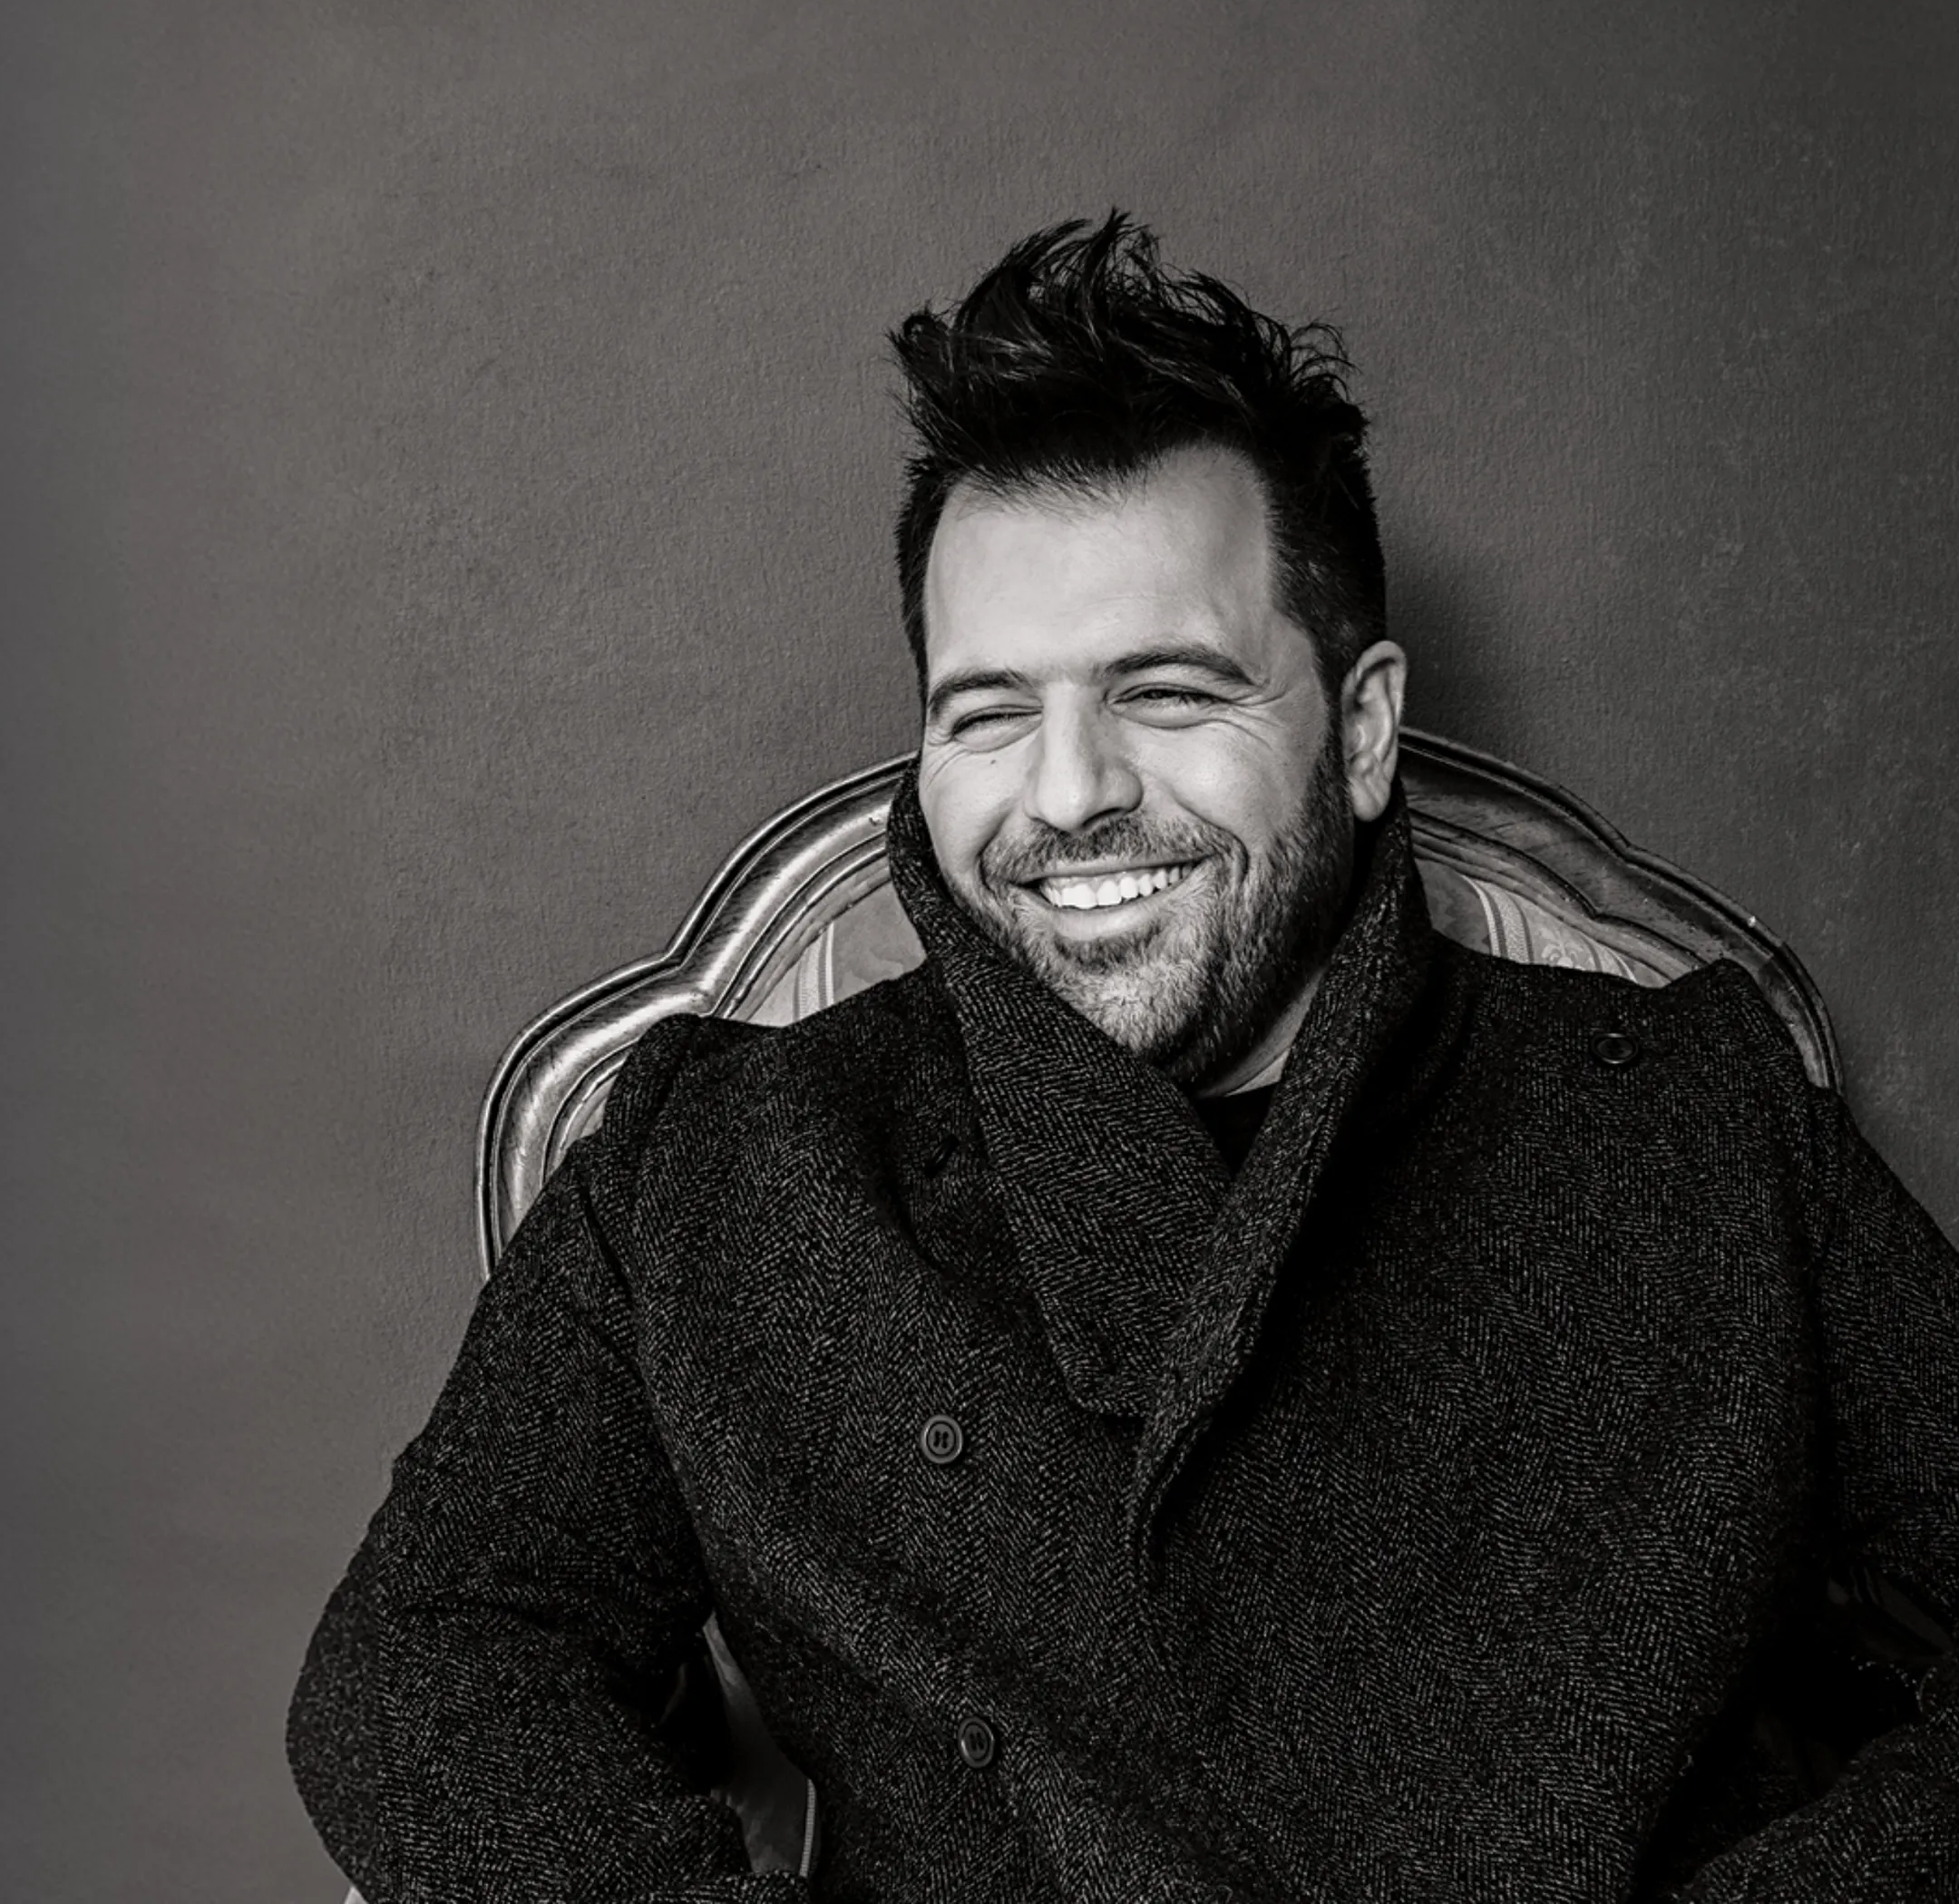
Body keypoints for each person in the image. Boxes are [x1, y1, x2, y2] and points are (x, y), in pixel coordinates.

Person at [288, 216, 1958, 1902]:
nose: (1070, 790)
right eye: (989, 711)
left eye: (1165, 691)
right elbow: (427, 1664)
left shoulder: (1690, 1116)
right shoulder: (717, 1172)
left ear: (1362, 730)